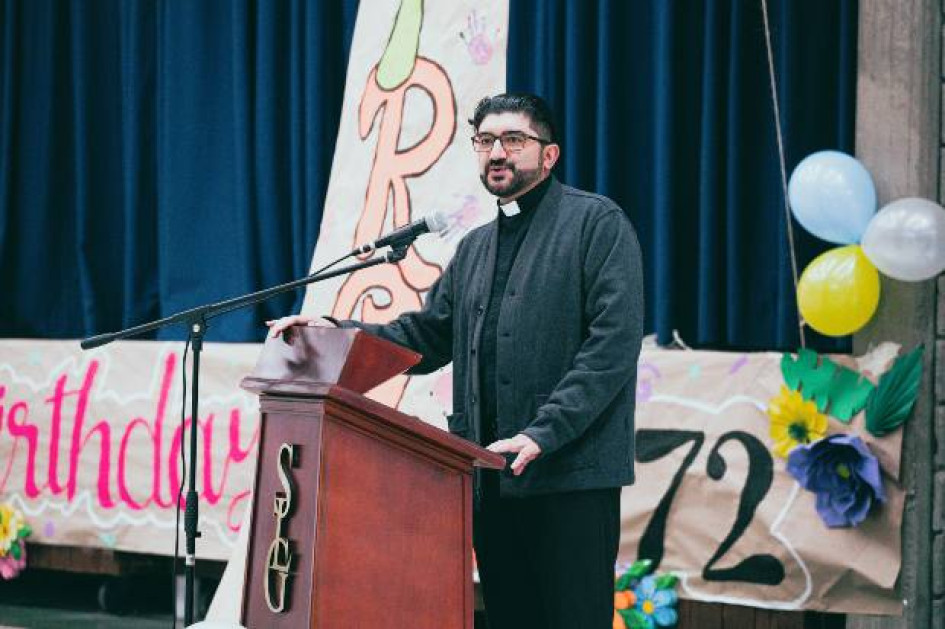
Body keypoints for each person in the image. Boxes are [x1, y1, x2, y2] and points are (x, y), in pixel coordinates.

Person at [268, 93, 644, 629]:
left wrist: (544, 433)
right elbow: (425, 336)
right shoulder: (475, 248)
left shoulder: (596, 225)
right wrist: (339, 331)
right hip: (491, 479)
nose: (497, 152)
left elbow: (611, 346)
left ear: (550, 155)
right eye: (485, 141)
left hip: (569, 479)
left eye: (514, 140)